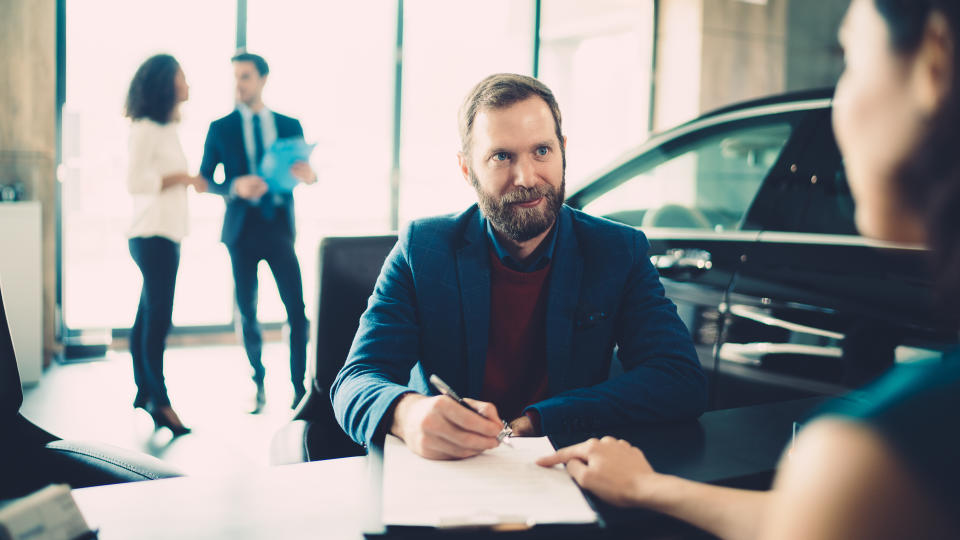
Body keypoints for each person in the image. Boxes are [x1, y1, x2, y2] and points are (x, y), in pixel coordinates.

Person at [538, 1, 960, 538]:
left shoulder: (878, 457)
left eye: (849, 58)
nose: (839, 107)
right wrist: (650, 487)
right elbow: (802, 521)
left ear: (935, 63)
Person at [331, 73, 708, 460]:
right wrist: (406, 414)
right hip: (449, 469)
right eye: (501, 156)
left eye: (542, 151)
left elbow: (679, 380)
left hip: (566, 466)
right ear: (467, 170)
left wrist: (540, 420)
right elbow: (355, 380)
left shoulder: (617, 250)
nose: (526, 177)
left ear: (563, 150)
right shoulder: (423, 249)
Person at [199, 52, 317, 412]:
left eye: (246, 76)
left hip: (279, 226)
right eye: (235, 77)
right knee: (247, 310)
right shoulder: (220, 128)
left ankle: (299, 388)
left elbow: (306, 171)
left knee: (296, 309)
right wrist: (234, 186)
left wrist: (310, 176)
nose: (239, 84)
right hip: (241, 230)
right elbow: (204, 181)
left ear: (263, 79)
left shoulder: (289, 124)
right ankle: (258, 380)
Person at [125, 54, 206, 436]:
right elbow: (135, 182)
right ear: (165, 84)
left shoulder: (166, 128)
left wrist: (186, 179)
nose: (188, 84)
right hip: (151, 235)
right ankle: (161, 403)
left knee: (146, 318)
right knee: (158, 321)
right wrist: (182, 178)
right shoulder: (144, 129)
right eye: (182, 77)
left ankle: (145, 391)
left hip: (164, 234)